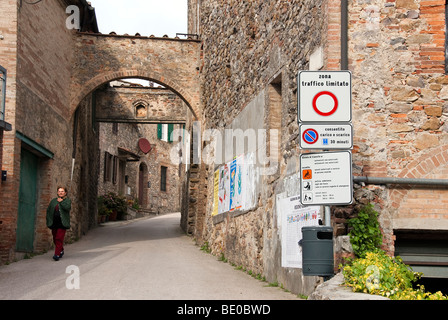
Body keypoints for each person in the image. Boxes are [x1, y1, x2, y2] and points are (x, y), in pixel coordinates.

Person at [46, 186, 71, 261]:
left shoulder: (67, 201)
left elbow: (67, 208)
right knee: (54, 238)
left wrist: (61, 202)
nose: (61, 192)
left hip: (62, 223)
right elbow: (49, 210)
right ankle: (61, 250)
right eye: (59, 191)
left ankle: (56, 254)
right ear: (57, 192)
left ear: (65, 193)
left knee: (59, 238)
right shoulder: (54, 201)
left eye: (62, 191)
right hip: (54, 222)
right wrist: (48, 220)